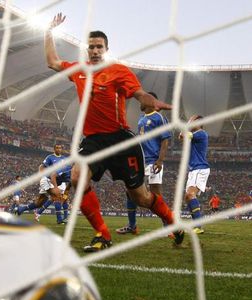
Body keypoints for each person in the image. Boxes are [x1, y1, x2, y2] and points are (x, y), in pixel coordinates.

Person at [45, 14, 184, 252]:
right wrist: (48, 31)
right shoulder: (79, 70)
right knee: (77, 178)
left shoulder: (118, 71)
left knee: (141, 198)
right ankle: (103, 234)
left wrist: (151, 100)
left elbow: (139, 94)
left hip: (121, 140)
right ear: (86, 50)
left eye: (99, 47)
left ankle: (172, 222)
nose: (95, 51)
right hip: (94, 141)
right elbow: (53, 62)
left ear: (106, 49)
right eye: (91, 47)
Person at [116, 92, 172, 235]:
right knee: (130, 192)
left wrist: (160, 160)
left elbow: (165, 139)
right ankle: (132, 225)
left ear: (149, 101)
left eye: (142, 100)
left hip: (153, 161)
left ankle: (168, 226)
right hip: (140, 161)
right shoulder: (142, 119)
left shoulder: (159, 117)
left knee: (156, 194)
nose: (140, 102)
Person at [16, 144, 68, 224]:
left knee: (39, 203)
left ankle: (21, 209)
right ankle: (59, 219)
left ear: (62, 149)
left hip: (56, 181)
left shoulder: (64, 159)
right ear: (54, 149)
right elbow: (41, 166)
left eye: (60, 148)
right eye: (57, 148)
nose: (58, 149)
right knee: (57, 196)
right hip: (47, 180)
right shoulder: (50, 157)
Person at [181, 114, 209, 234]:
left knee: (191, 195)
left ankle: (198, 226)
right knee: (187, 197)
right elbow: (181, 136)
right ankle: (196, 225)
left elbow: (182, 135)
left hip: (200, 168)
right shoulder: (194, 135)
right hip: (193, 170)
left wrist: (189, 121)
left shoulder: (201, 133)